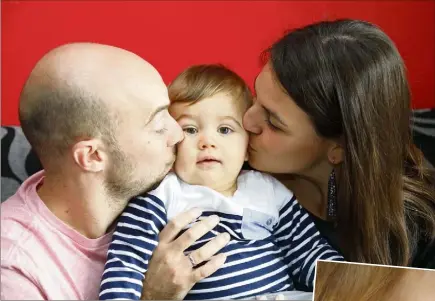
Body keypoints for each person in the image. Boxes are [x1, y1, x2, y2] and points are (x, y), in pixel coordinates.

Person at [0, 43, 230, 300]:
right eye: (157, 124)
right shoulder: (15, 270)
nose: (178, 134)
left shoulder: (171, 191)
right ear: (93, 156)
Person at [98, 65, 343, 300]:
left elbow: (309, 254)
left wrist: (360, 285)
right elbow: (125, 267)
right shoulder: (160, 197)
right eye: (191, 130)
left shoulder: (268, 191)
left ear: (248, 146)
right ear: (171, 140)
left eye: (225, 130)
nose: (207, 142)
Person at [242, 19, 435, 268]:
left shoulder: (421, 227)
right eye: (255, 96)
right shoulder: (221, 172)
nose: (247, 120)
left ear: (339, 148)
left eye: (273, 122)